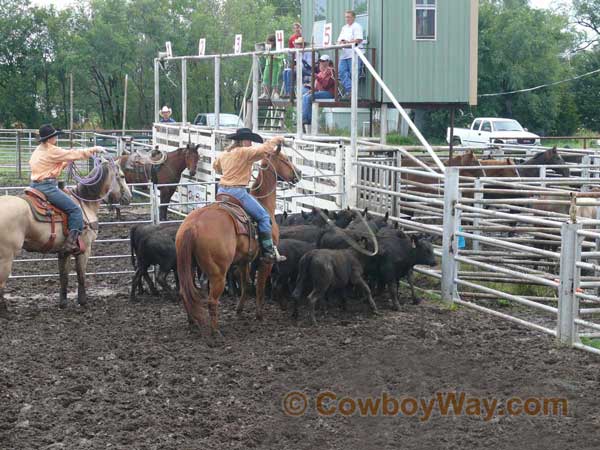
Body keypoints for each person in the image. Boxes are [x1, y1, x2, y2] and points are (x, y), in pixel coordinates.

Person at [213, 128, 286, 263]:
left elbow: (216, 167)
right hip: (237, 192)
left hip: (221, 191)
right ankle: (268, 251)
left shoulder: (224, 154)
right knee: (264, 217)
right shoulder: (244, 152)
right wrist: (277, 139)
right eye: (249, 140)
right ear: (243, 140)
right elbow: (265, 150)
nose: (251, 143)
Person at [29, 124, 102, 254]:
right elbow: (74, 153)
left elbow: (51, 164)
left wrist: (66, 160)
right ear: (50, 138)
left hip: (35, 185)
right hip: (47, 187)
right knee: (75, 210)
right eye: (55, 136)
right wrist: (94, 149)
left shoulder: (39, 150)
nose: (56, 137)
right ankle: (70, 243)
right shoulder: (52, 150)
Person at [336, 10, 364, 99]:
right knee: (341, 72)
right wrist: (341, 42)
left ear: (353, 17)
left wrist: (347, 42)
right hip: (344, 54)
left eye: (348, 17)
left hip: (354, 54)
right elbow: (339, 40)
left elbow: (359, 39)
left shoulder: (357, 26)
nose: (347, 19)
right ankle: (351, 90)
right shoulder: (344, 27)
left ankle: (352, 92)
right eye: (346, 17)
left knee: (354, 74)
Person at [302, 55, 335, 126]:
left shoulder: (330, 71)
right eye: (320, 61)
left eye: (323, 61)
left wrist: (317, 77)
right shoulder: (320, 73)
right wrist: (312, 90)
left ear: (328, 62)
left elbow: (326, 85)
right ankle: (304, 118)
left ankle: (308, 119)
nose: (321, 63)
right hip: (321, 92)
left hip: (329, 93)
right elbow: (318, 87)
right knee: (305, 96)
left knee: (308, 97)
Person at [261, 35, 285, 100]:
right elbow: (265, 56)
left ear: (274, 42)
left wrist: (276, 57)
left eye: (271, 42)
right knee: (265, 78)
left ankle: (275, 93)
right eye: (268, 42)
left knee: (275, 79)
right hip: (268, 64)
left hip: (276, 65)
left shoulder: (278, 48)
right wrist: (266, 54)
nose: (269, 43)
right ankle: (265, 93)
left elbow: (282, 56)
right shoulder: (268, 47)